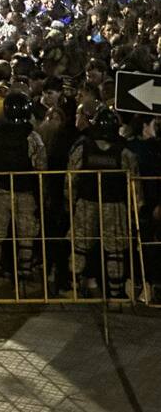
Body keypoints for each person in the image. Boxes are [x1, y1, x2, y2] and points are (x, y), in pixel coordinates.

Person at [67, 106, 140, 298]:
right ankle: (115, 293)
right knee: (115, 250)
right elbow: (134, 185)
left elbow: (70, 178)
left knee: (79, 247)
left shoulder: (83, 147)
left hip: (86, 204)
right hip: (114, 206)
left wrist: (69, 202)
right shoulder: (124, 152)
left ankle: (74, 287)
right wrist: (136, 209)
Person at [0, 92, 47, 281]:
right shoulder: (33, 137)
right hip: (25, 191)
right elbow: (41, 165)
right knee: (26, 233)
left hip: (1, 189)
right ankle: (24, 270)